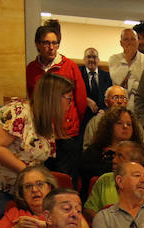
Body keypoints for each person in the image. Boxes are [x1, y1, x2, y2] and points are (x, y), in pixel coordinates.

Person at [0, 72, 73, 228]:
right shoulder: (20, 112)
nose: (70, 105)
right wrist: (26, 172)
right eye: (68, 99)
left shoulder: (45, 123)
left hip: (15, 189)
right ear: (54, 97)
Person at [25, 20, 87, 184]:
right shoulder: (31, 69)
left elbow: (80, 101)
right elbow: (32, 100)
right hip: (43, 133)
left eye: (55, 43)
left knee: (65, 178)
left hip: (67, 134)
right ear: (38, 45)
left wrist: (71, 124)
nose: (51, 47)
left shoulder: (70, 66)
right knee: (44, 177)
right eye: (46, 43)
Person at [83, 140, 144, 221]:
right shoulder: (103, 180)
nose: (114, 160)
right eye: (114, 155)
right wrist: (107, 223)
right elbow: (88, 211)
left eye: (120, 156)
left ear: (135, 162)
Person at [82, 106, 144, 192]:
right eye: (119, 123)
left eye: (129, 124)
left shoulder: (143, 153)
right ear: (109, 126)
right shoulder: (95, 151)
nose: (125, 127)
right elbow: (86, 176)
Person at [108, 29, 144, 111]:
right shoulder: (114, 59)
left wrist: (129, 83)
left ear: (137, 42)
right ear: (121, 43)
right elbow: (117, 81)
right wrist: (127, 59)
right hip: (119, 108)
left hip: (141, 109)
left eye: (133, 39)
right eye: (126, 39)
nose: (130, 43)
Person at [82, 85, 128, 150]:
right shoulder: (96, 122)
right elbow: (88, 148)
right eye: (115, 98)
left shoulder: (132, 121)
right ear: (106, 102)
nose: (120, 101)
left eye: (123, 98)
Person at [79, 47, 112, 115]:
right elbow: (72, 92)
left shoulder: (107, 76)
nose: (91, 59)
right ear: (84, 59)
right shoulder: (78, 73)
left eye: (94, 57)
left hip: (101, 116)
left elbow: (110, 97)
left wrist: (105, 110)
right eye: (89, 57)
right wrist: (85, 99)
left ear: (98, 60)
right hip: (82, 116)